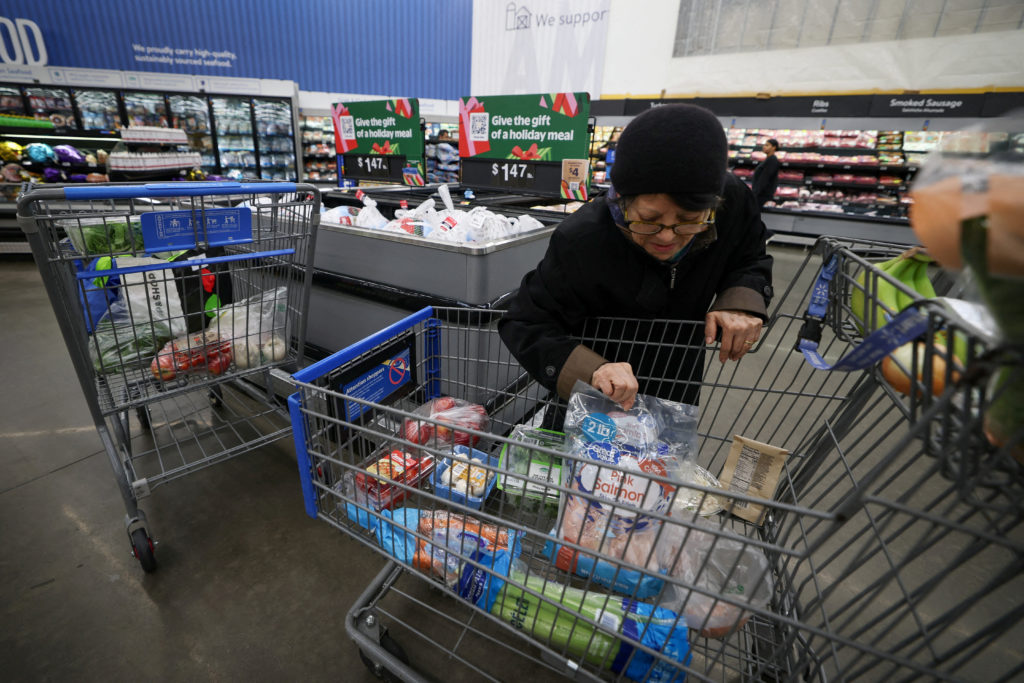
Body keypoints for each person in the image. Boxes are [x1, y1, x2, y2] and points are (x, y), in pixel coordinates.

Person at [499, 104, 773, 413]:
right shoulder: (583, 238)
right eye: (649, 220)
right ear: (621, 202)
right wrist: (593, 371)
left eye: (688, 220)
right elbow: (525, 322)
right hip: (594, 401)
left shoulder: (732, 204)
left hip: (677, 391)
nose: (667, 236)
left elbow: (750, 257)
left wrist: (740, 300)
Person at [752, 138, 780, 207]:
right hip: (760, 194)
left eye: (767, 145)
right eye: (764, 145)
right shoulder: (768, 159)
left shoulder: (772, 160)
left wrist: (755, 194)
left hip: (762, 196)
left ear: (774, 147)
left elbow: (764, 179)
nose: (764, 147)